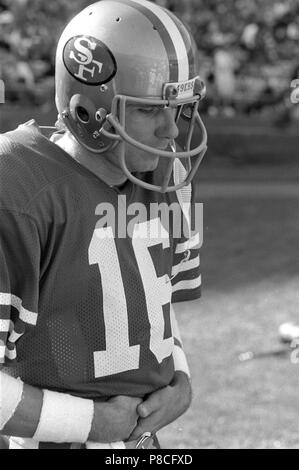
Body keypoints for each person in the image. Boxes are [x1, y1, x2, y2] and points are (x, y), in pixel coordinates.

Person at [0, 0, 207, 449]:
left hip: (138, 448)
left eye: (182, 108)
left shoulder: (163, 177)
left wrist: (180, 382)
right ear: (87, 110)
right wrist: (89, 423)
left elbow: (145, 307)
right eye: (151, 110)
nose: (172, 131)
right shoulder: (16, 184)